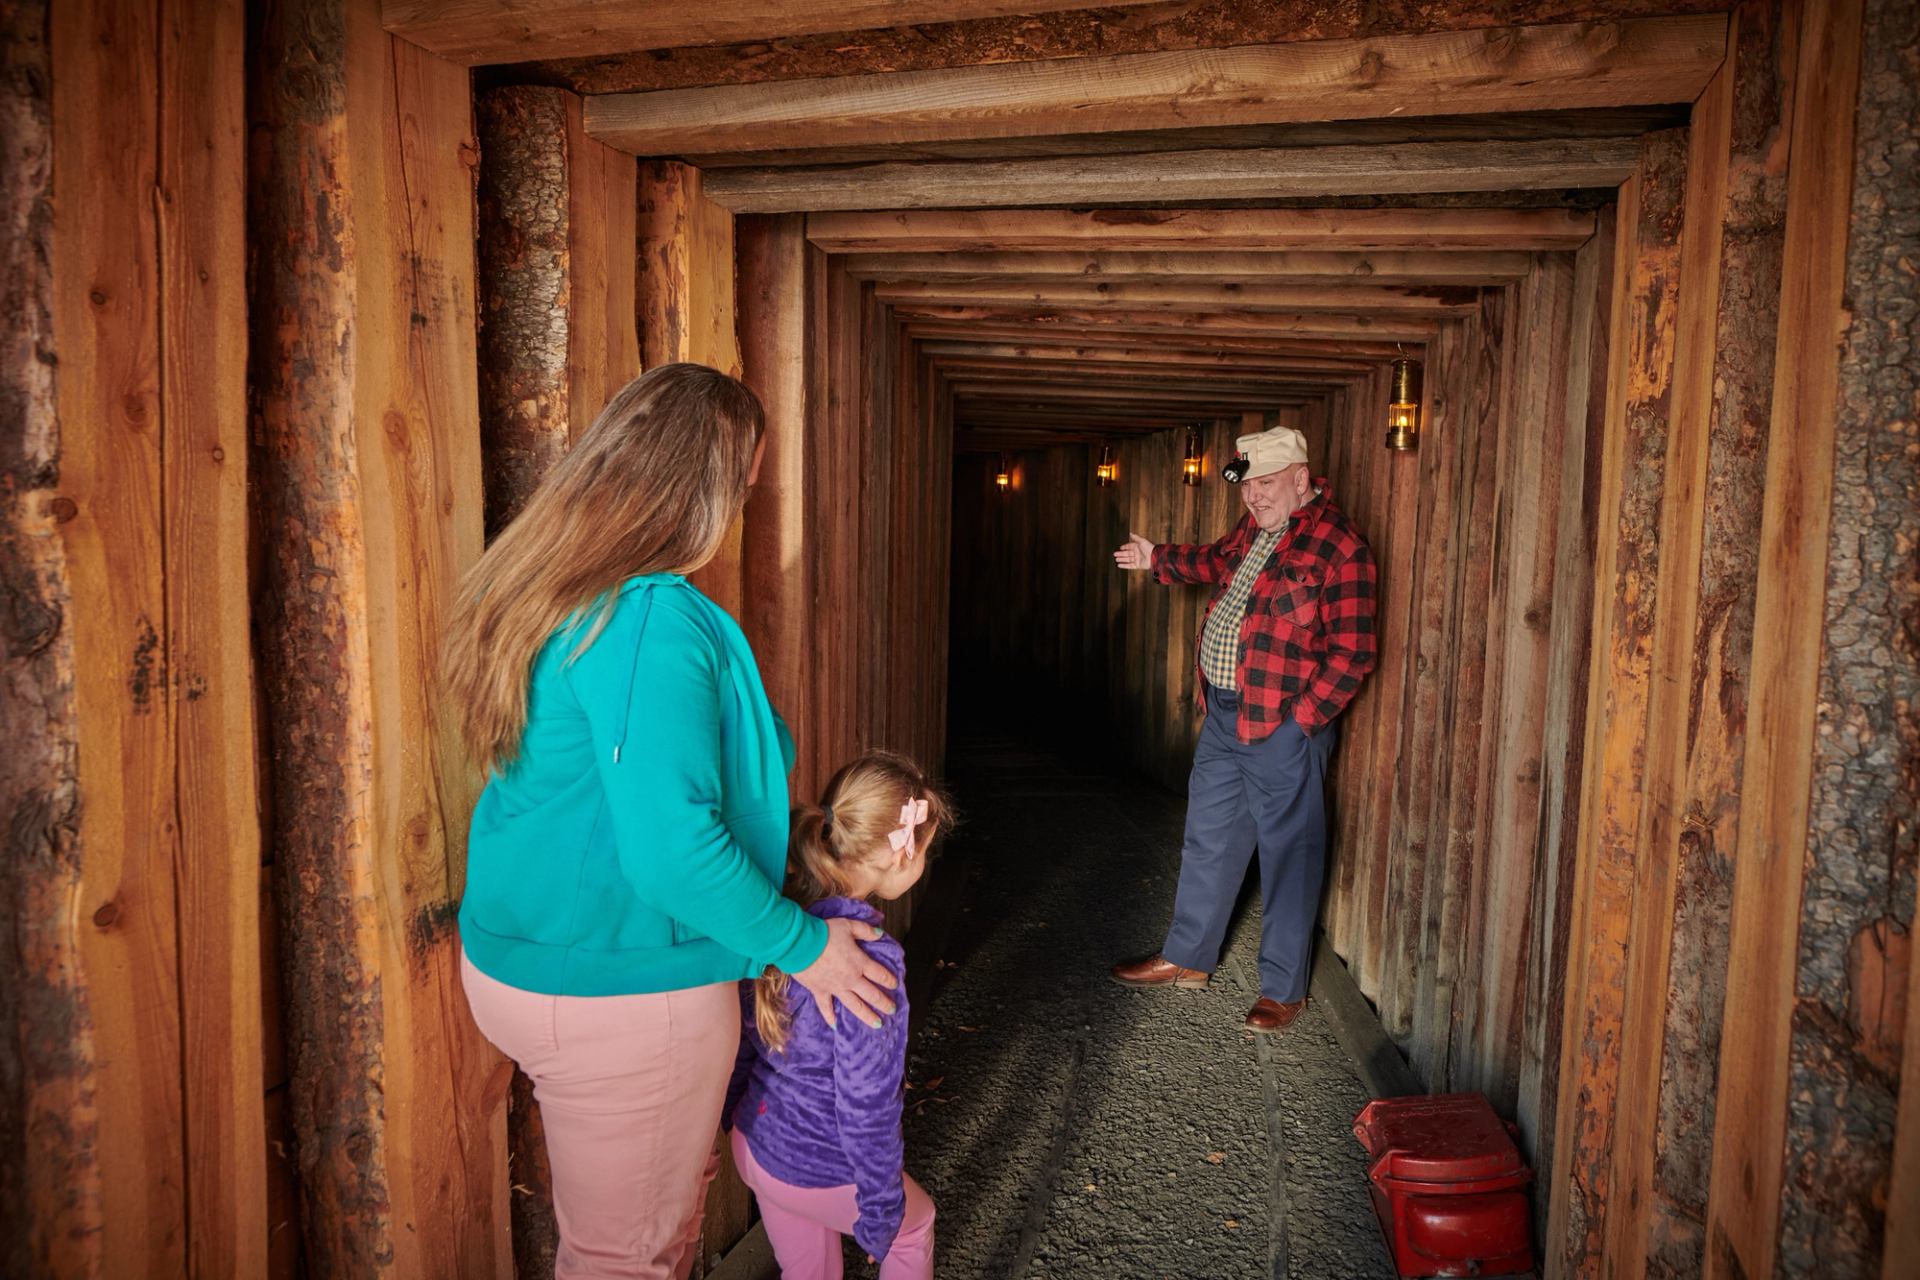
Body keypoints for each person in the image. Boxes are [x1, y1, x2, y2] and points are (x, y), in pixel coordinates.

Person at [443, 363, 898, 1280]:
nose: (740, 507)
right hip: (622, 989)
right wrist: (805, 946)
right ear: (699, 483)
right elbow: (672, 852)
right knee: (629, 1261)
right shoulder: (649, 621)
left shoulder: (565, 589)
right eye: (741, 484)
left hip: (537, 957)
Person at [1108, 425, 1378, 1033]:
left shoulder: (1340, 546)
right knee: (1208, 835)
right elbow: (1213, 559)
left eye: (1267, 482)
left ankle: (1284, 989)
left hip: (1282, 724)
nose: (1254, 496)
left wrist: (1303, 721)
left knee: (1291, 852)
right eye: (1247, 484)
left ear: (1302, 479)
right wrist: (1159, 560)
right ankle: (1187, 957)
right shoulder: (1255, 531)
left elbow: (1354, 652)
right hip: (1226, 713)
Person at [724, 751, 952, 1280]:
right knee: (914, 1228)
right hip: (814, 1164)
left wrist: (732, 1109)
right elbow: (865, 1102)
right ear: (901, 856)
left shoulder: (784, 921)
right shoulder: (868, 962)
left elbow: (743, 1031)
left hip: (753, 1144)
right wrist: (880, 1207)